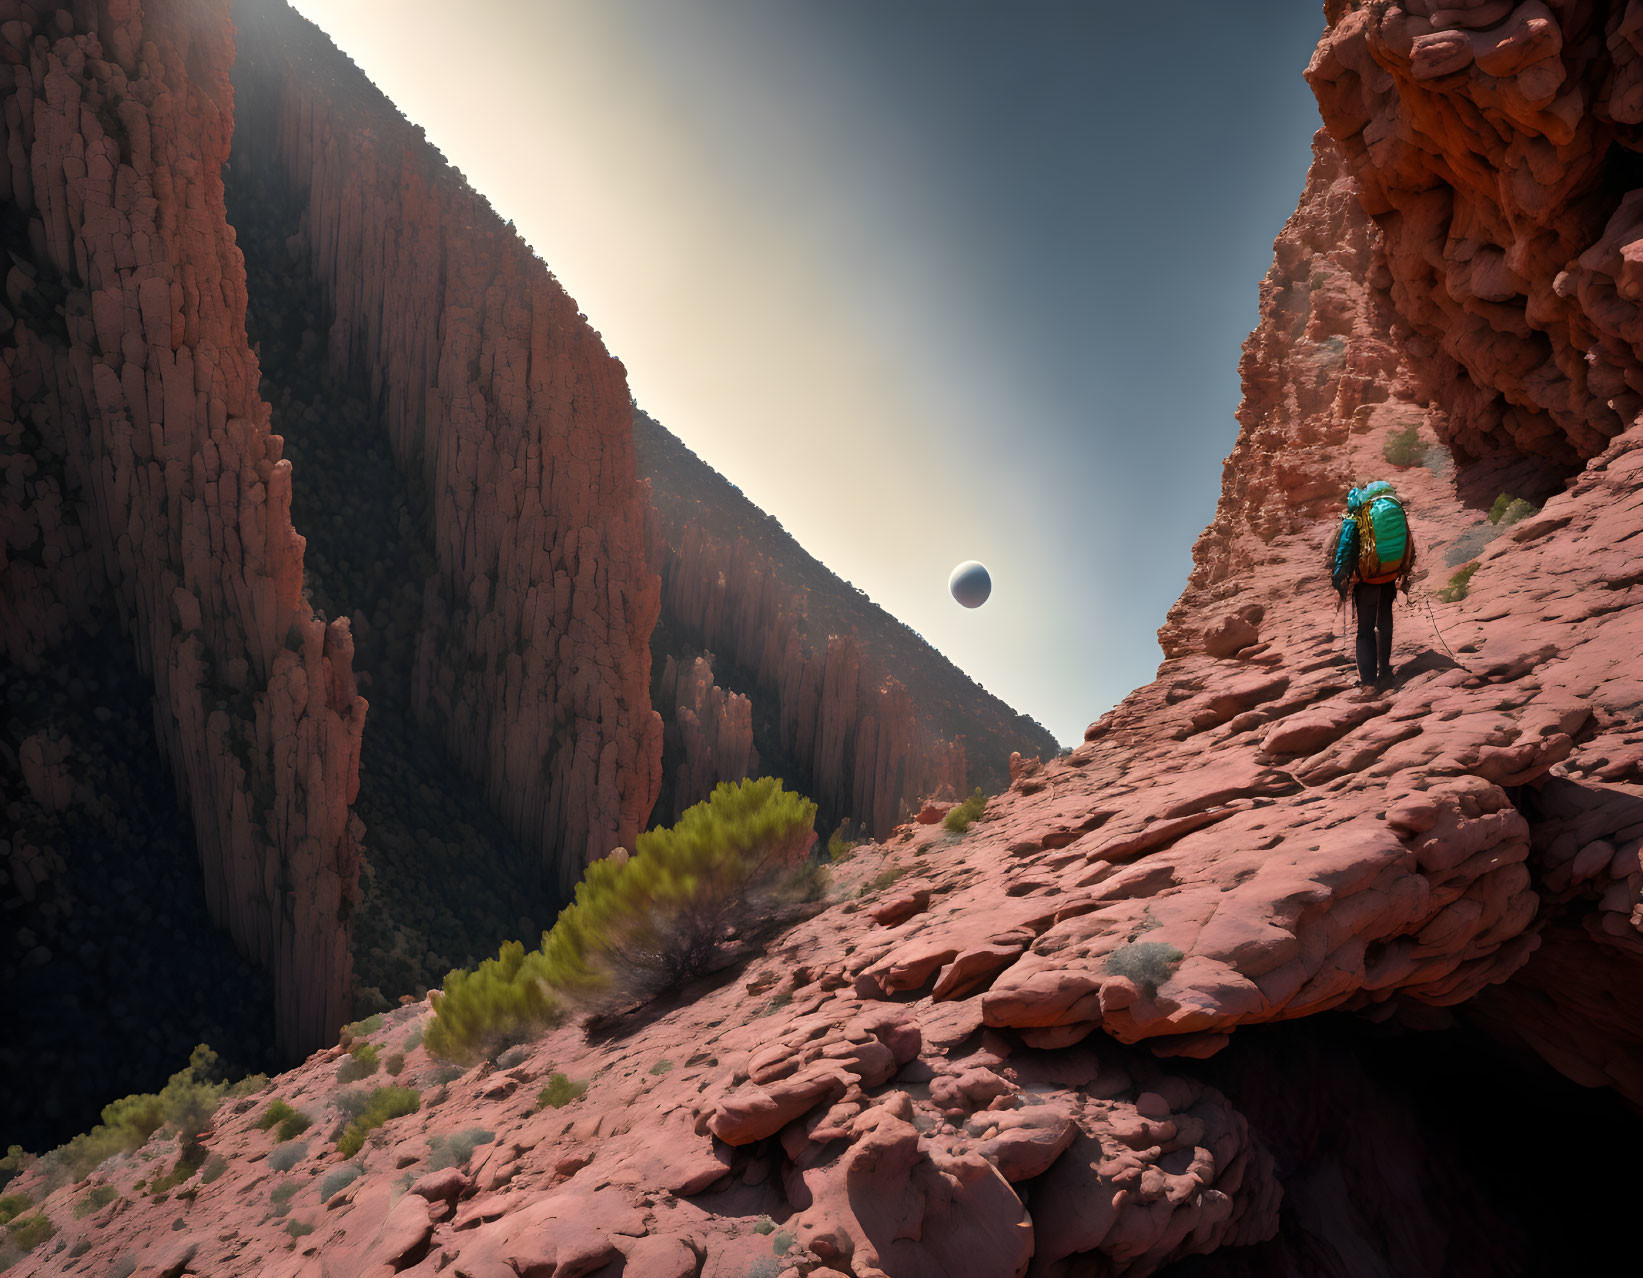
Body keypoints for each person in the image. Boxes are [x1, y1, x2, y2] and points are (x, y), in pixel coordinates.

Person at [1328, 480, 1416, 688]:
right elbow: (1408, 541)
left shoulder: (1358, 514)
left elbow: (1346, 546)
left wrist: (1339, 577)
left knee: (1365, 630)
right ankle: (1385, 670)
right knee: (1385, 621)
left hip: (1367, 579)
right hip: (1389, 574)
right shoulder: (1394, 509)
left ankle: (1368, 682)